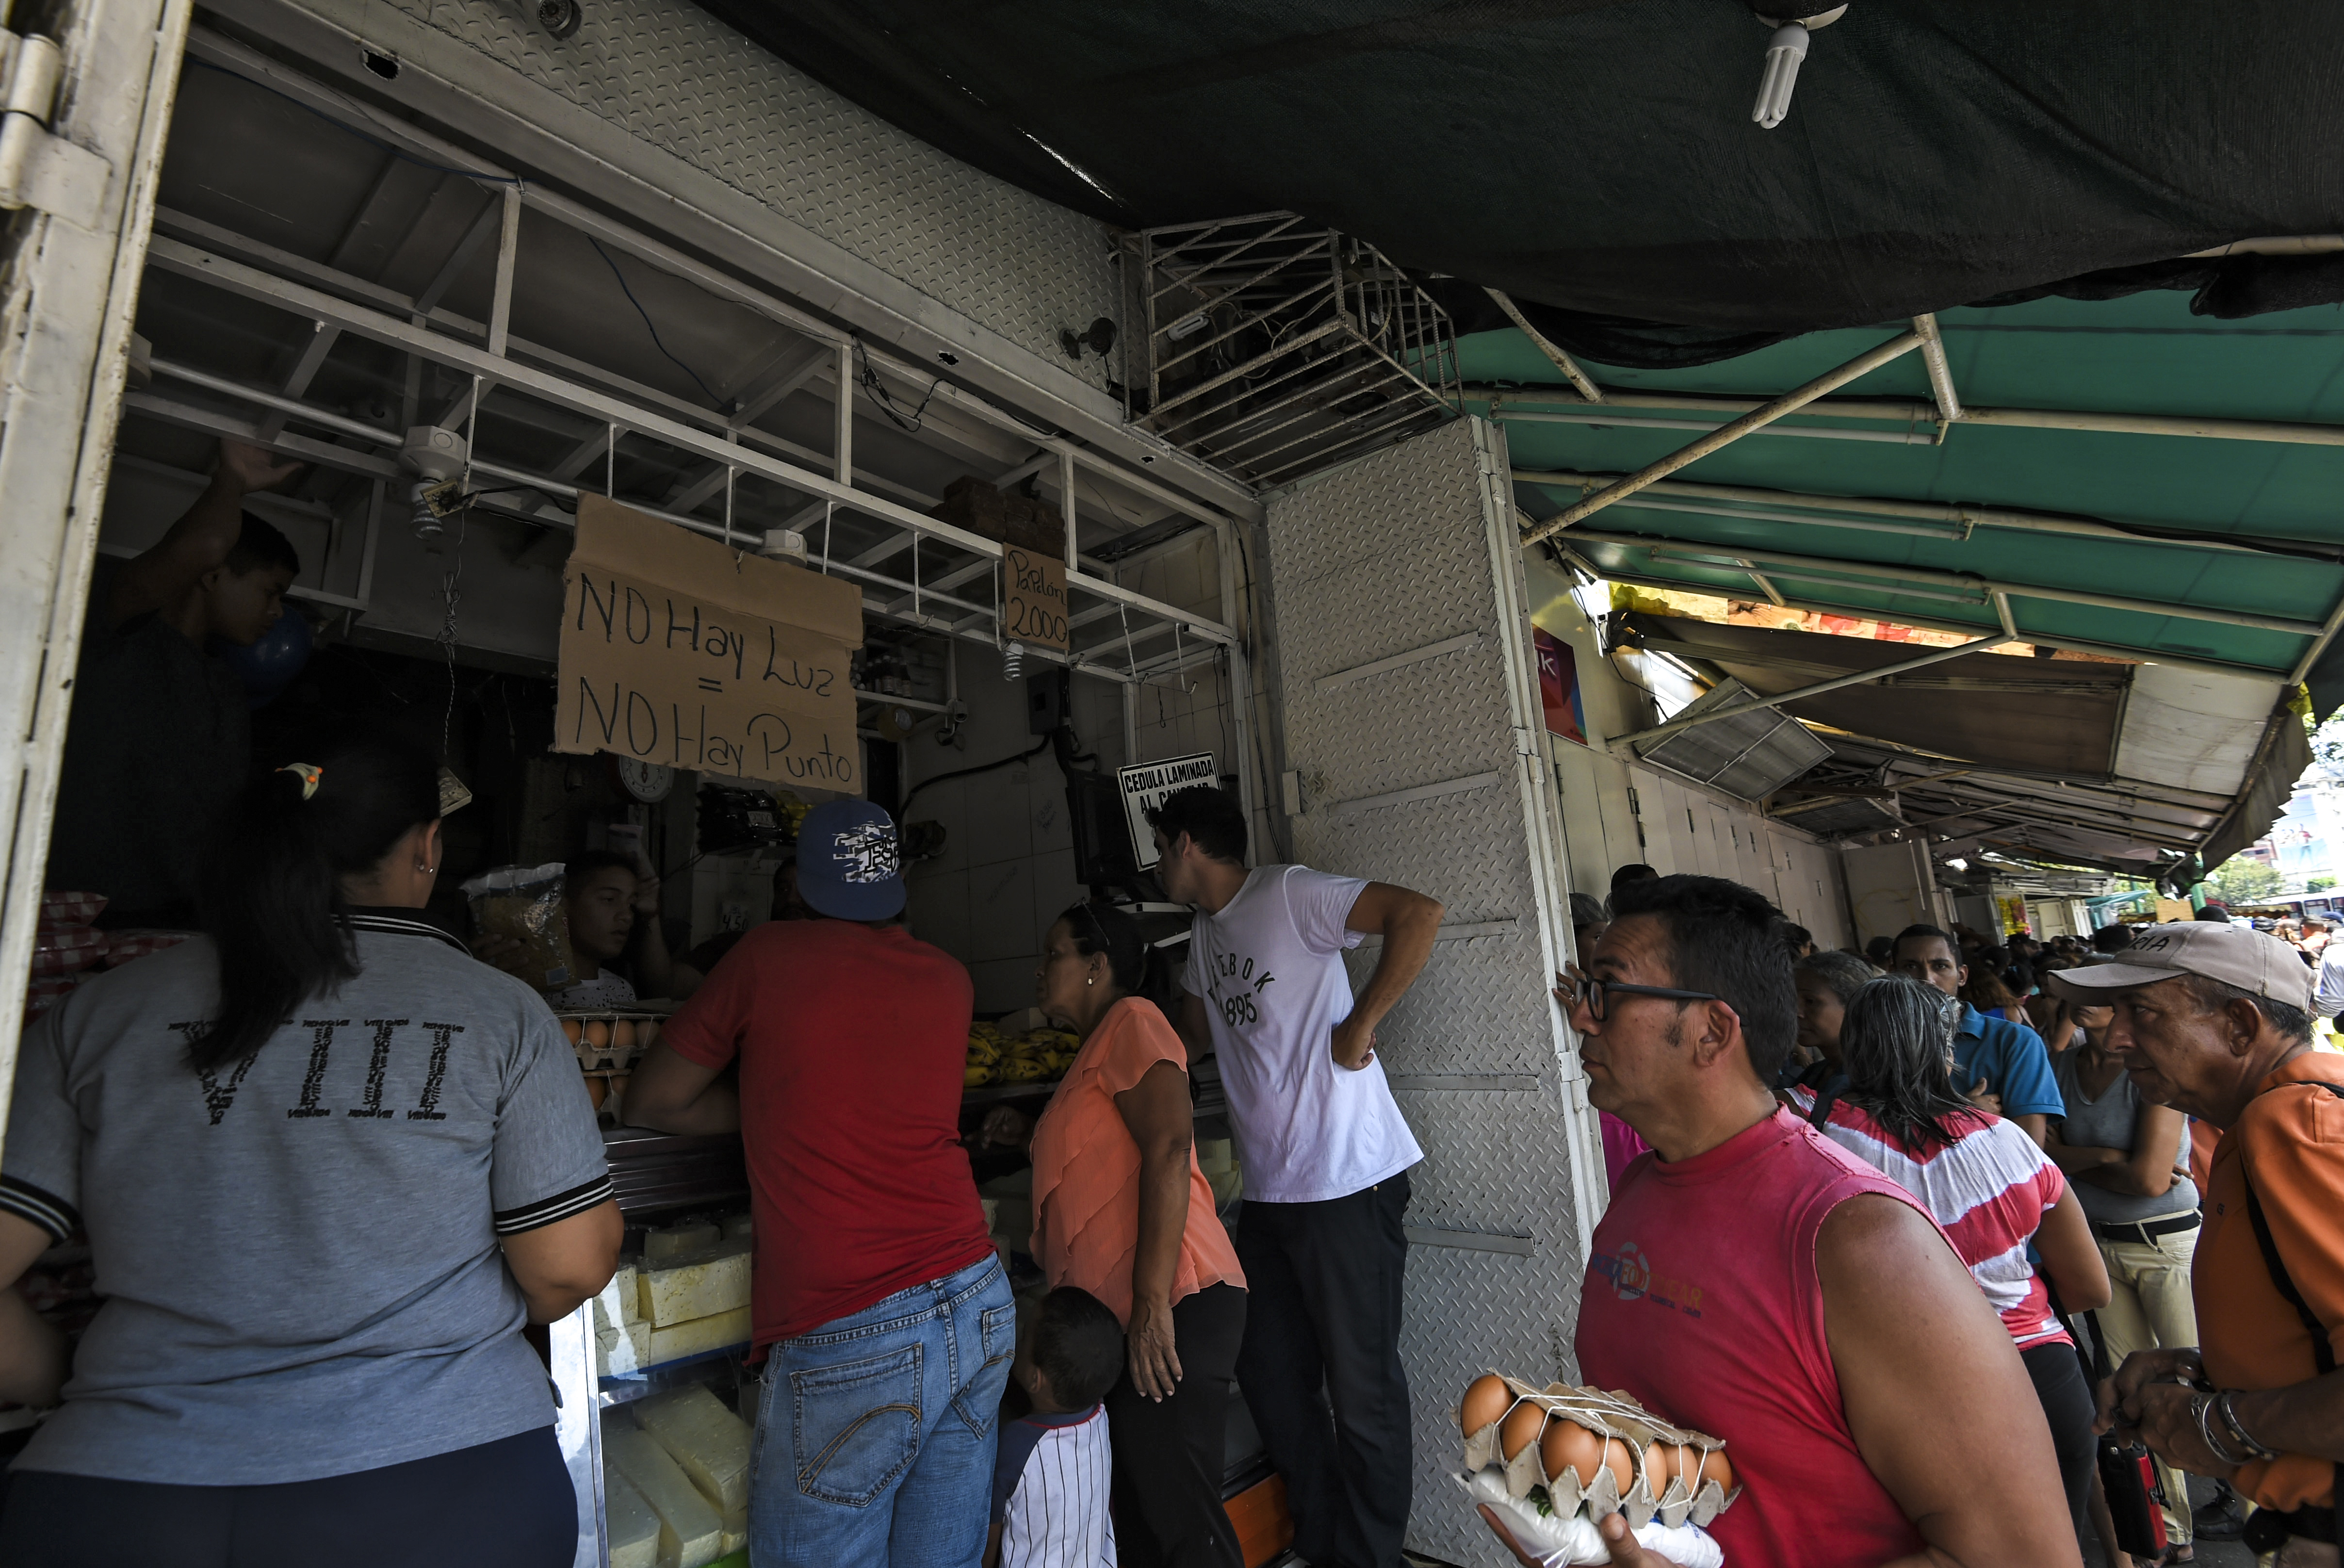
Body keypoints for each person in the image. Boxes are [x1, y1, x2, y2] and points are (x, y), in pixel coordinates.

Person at [0, 731, 621, 1564]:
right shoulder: (496, 1013)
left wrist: (70, 1377)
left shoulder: (97, 1013)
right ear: (425, 848)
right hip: (442, 1491)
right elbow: (570, 1266)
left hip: (118, 1488)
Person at [1495, 874, 2079, 1568]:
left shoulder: (1860, 1239)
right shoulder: (1644, 1187)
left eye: (1608, 992)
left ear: (1711, 1032)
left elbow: (2026, 1557)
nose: (1583, 1018)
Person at [624, 799, 1008, 1568]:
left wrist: (774, 1110)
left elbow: (653, 1099)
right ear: (896, 886)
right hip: (977, 1300)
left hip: (853, 1325)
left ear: (798, 884)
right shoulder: (949, 979)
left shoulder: (767, 958)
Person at [1151, 784, 1442, 1568]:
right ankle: (1324, 1543)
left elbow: (1417, 914)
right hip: (1272, 1199)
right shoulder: (1204, 938)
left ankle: (1371, 1560)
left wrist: (1359, 1023)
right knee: (1273, 1377)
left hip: (1349, 1182)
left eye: (1158, 849)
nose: (1155, 866)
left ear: (1183, 844)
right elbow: (1187, 1036)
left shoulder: (1286, 893)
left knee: (1362, 1394)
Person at [2061, 924, 2344, 1566]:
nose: (2115, 1036)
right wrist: (2212, 1369)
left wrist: (2218, 1424)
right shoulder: (2280, 1118)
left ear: (2241, 1026)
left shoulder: (2294, 1126)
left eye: (2144, 1013)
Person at [1787, 976, 2111, 1534]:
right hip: (2037, 1372)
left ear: (1852, 1044)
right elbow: (2088, 1288)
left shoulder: (1805, 1132)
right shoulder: (2008, 1143)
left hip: (1892, 1384)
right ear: (1944, 1048)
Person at [978, 902, 1248, 1567]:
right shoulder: (1090, 1053)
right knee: (1145, 1523)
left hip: (1173, 1300)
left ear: (1098, 967)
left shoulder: (1134, 1019)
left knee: (1184, 1528)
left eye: (1053, 955)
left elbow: (1167, 1144)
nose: (1041, 971)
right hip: (1127, 1319)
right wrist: (1029, 1137)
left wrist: (1153, 1303)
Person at [45, 440, 306, 928]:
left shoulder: (224, 688)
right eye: (271, 592)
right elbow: (203, 545)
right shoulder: (120, 635)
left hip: (185, 924)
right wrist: (232, 480)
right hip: (81, 917)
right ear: (213, 576)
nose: (276, 613)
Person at [2049, 998, 2204, 1555]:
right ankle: (2173, 1529)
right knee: (2129, 1396)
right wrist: (2107, 1153)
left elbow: (2147, 1180)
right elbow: (2038, 1150)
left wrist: (2076, 1160)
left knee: (2199, 1383)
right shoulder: (2059, 1065)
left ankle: (2263, 1520)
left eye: (2103, 998)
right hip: (2100, 1246)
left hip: (2165, 1244)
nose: (2085, 1005)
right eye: (2074, 993)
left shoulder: (2153, 1069)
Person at [1891, 923, 2064, 1146]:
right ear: (1893, 975)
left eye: (1941, 966)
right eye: (1911, 966)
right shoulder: (1880, 1043)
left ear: (1962, 976)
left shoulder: (2015, 1041)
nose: (1927, 979)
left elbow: (2029, 1149)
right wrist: (1962, 1115)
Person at [988, 1287, 1123, 1568]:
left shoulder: (1018, 1444)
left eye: (1024, 1337)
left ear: (1036, 1380)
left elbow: (989, 1533)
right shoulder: (1100, 1414)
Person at [507, 849, 700, 1007]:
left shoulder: (622, 992)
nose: (626, 916)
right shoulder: (525, 988)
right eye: (609, 900)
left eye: (632, 906)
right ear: (562, 904)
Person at [1783, 948, 1872, 1100]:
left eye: (1810, 1002)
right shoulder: (1816, 1073)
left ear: (1853, 1005)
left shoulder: (1864, 1083)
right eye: (1792, 1000)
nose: (1795, 1012)